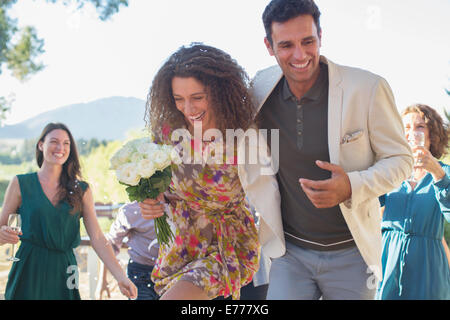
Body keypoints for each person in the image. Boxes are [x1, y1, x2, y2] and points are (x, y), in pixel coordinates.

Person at [247, 0, 413, 300]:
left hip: (354, 256)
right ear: (268, 46)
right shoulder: (259, 89)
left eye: (308, 41)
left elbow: (401, 161)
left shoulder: (368, 88)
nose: (300, 55)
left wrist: (352, 184)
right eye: (286, 45)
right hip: (289, 254)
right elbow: (218, 139)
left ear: (320, 36)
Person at [140, 43, 279, 300]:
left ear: (219, 91)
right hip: (179, 249)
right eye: (178, 99)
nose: (188, 109)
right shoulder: (167, 133)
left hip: (227, 249)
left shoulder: (244, 138)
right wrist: (149, 200)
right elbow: (154, 185)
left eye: (197, 97)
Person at [0, 122, 137, 300]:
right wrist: (2, 234)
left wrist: (121, 276)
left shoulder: (82, 190)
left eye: (66, 143)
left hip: (64, 273)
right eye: (54, 142)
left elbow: (97, 238)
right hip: (28, 269)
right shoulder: (20, 183)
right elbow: (1, 227)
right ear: (41, 145)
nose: (60, 148)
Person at [376, 104, 450, 299]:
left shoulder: (444, 173)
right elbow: (367, 204)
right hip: (388, 262)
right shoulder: (390, 170)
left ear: (432, 134)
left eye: (419, 127)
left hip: (428, 268)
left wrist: (437, 173)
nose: (411, 133)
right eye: (406, 128)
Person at [96, 201, 159, 300]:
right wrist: (102, 280)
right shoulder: (131, 210)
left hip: (172, 272)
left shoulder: (176, 206)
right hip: (140, 274)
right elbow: (110, 245)